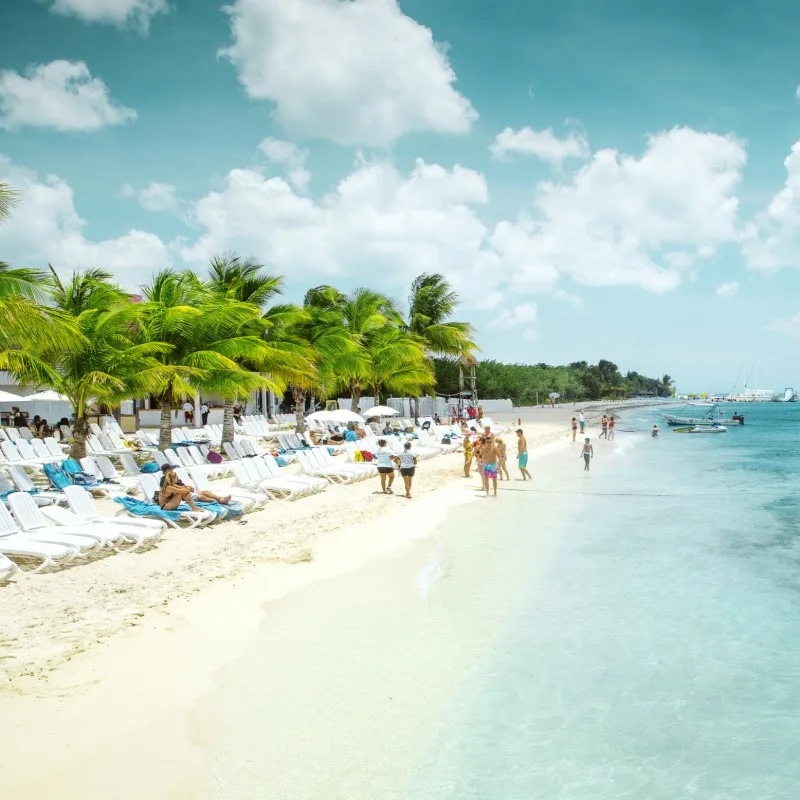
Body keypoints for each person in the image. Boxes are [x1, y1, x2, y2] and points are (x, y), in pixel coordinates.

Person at [158, 464, 231, 511]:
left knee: (205, 491)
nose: (177, 479)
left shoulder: (172, 484)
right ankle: (195, 508)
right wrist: (188, 489)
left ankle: (220, 499)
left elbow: (181, 487)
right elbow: (181, 491)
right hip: (166, 507)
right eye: (175, 478)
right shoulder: (168, 486)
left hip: (171, 503)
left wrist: (188, 488)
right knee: (186, 493)